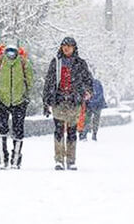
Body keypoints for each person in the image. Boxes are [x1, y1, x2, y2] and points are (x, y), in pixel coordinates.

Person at [42, 36, 93, 170]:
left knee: (72, 131)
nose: (66, 48)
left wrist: (87, 92)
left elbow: (88, 80)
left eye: (69, 46)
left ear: (74, 48)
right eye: (64, 46)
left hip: (74, 102)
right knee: (58, 130)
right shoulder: (56, 62)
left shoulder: (80, 63)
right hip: (58, 101)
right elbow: (49, 82)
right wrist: (46, 101)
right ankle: (59, 159)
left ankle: (71, 160)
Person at [0, 45, 34, 169]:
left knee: (18, 130)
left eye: (13, 52)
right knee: (1, 130)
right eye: (8, 51)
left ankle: (16, 160)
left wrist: (25, 96)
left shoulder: (24, 63)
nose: (11, 54)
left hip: (19, 101)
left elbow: (30, 81)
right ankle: (3, 159)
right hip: (2, 101)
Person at [79, 69, 107, 141]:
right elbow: (100, 94)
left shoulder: (86, 84)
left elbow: (85, 95)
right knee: (95, 120)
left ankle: (85, 134)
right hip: (97, 105)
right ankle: (93, 134)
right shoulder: (97, 82)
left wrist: (90, 100)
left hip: (91, 105)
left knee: (87, 120)